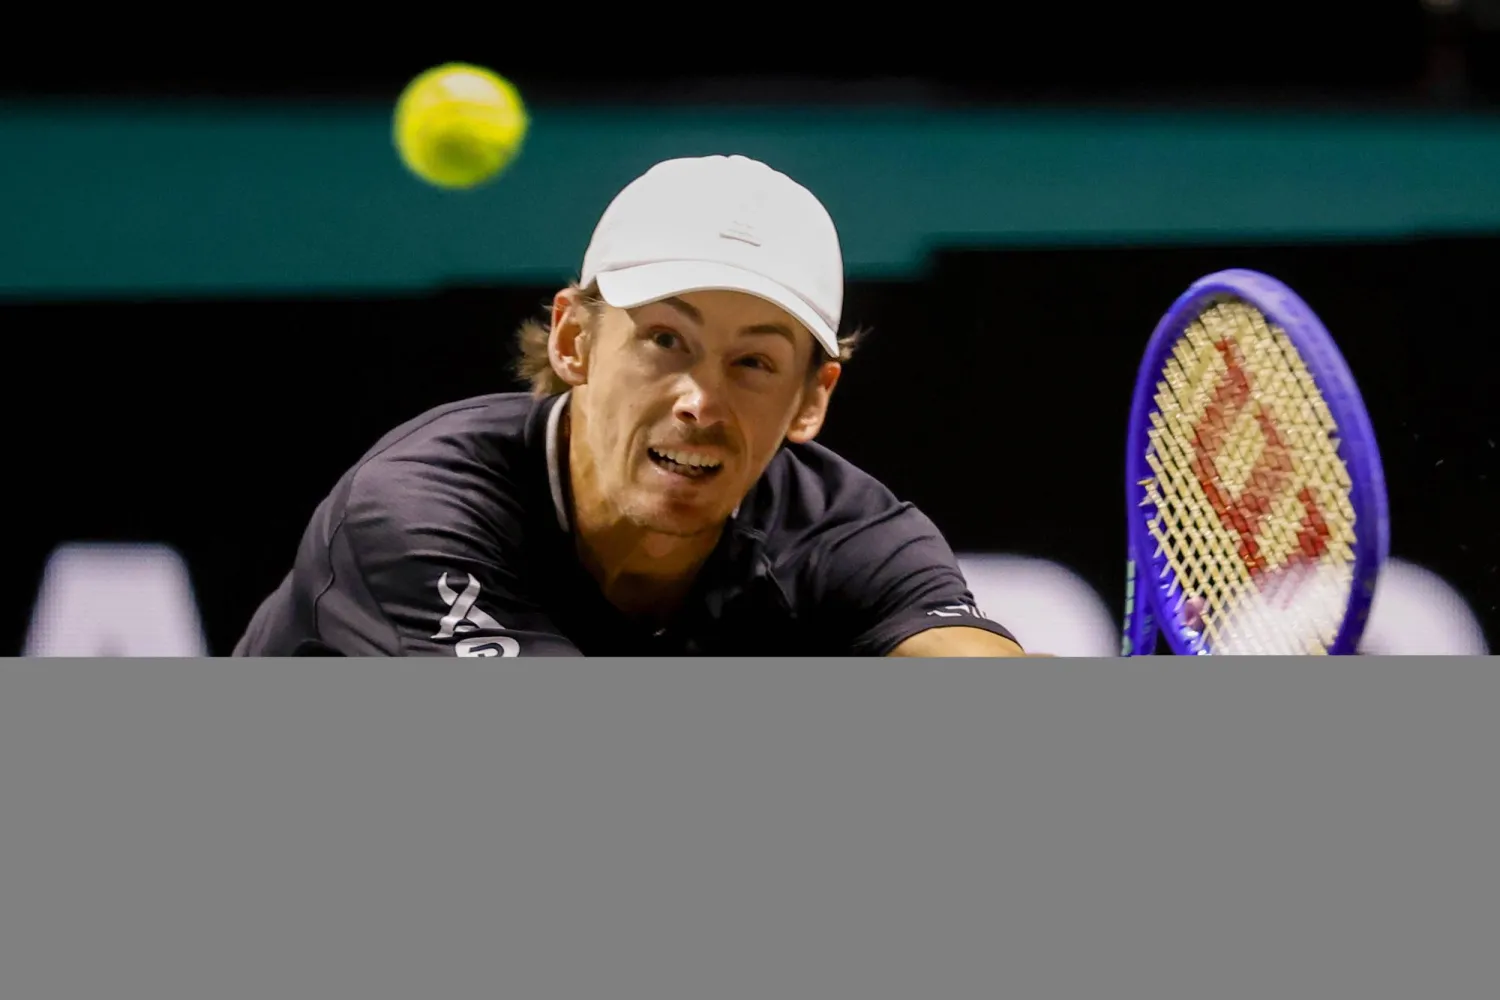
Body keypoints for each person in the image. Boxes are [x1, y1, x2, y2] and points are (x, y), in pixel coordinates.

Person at [233, 154, 1028, 657]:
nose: (700, 401)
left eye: (753, 361)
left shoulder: (847, 533)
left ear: (809, 401)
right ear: (573, 340)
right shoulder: (411, 516)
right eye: (665, 341)